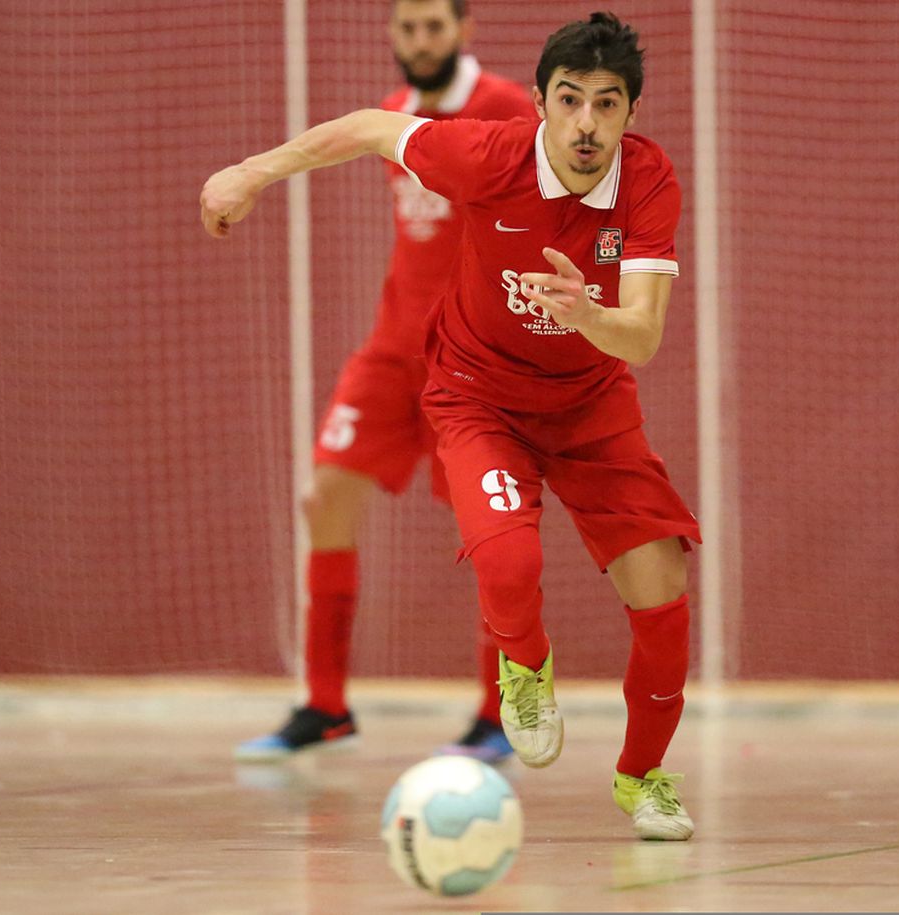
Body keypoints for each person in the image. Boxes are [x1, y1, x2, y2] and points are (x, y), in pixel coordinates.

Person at [204, 11, 700, 841]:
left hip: (590, 406)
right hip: (478, 397)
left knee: (662, 592)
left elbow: (642, 335)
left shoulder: (649, 181)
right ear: (541, 102)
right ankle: (524, 667)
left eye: (607, 105)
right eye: (570, 100)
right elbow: (367, 128)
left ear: (630, 114)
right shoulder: (489, 153)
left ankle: (642, 775)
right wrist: (254, 171)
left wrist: (586, 312)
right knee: (507, 561)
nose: (586, 122)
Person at [233, 0, 535, 764]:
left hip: (470, 359)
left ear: (465, 30)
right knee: (326, 491)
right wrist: (253, 173)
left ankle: (498, 715)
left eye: (435, 26)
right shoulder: (394, 113)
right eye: (407, 28)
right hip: (391, 347)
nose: (420, 41)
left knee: (489, 529)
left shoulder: (505, 107)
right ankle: (325, 705)